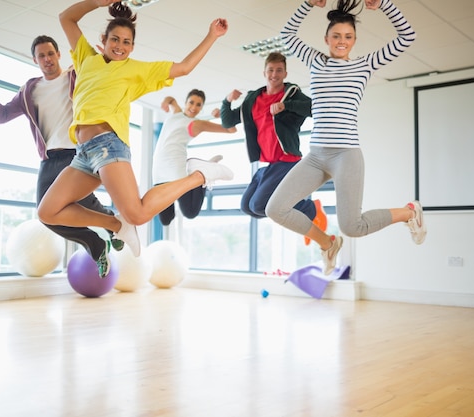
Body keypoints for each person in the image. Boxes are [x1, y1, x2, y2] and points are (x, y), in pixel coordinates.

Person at [38, 1, 233, 276]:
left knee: (139, 214)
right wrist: (97, 3)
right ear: (102, 40)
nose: (120, 45)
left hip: (108, 145)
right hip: (82, 153)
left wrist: (212, 35)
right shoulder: (86, 58)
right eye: (115, 39)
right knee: (47, 212)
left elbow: (184, 67)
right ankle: (116, 225)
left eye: (127, 42)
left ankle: (200, 175)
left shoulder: (134, 69)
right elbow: (66, 18)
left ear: (132, 47)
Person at [266, 0, 425, 275]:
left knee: (353, 226)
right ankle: (328, 243)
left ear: (354, 40)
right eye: (336, 36)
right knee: (275, 209)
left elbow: (407, 36)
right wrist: (307, 4)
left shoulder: (364, 65)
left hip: (346, 154)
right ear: (326, 39)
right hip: (316, 156)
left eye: (348, 37)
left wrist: (385, 4)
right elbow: (287, 36)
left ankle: (409, 212)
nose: (342, 41)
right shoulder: (315, 60)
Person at [0, 35, 124, 265]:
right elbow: (1, 115)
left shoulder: (75, 75)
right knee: (47, 216)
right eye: (41, 56)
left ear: (59, 54)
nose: (47, 59)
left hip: (78, 153)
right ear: (35, 60)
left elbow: (104, 77)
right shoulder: (29, 91)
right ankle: (96, 243)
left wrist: (107, 57)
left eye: (51, 53)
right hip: (49, 158)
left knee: (81, 202)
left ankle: (112, 224)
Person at [220, 51, 320, 223]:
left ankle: (310, 209)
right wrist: (227, 101)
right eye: (271, 70)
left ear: (285, 74)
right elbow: (228, 121)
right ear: (264, 73)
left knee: (259, 206)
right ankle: (281, 203)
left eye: (279, 70)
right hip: (268, 164)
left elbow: (315, 108)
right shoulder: (253, 100)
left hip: (288, 160)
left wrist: (285, 105)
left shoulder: (291, 94)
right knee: (247, 207)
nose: (274, 75)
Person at [153, 90, 236, 226]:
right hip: (158, 171)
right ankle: (201, 171)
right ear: (185, 103)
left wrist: (222, 115)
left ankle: (202, 172)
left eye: (198, 105)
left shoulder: (197, 124)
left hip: (175, 169)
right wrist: (166, 102)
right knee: (166, 220)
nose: (193, 107)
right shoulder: (177, 114)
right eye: (191, 102)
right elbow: (172, 99)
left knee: (190, 212)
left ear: (201, 108)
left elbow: (230, 130)